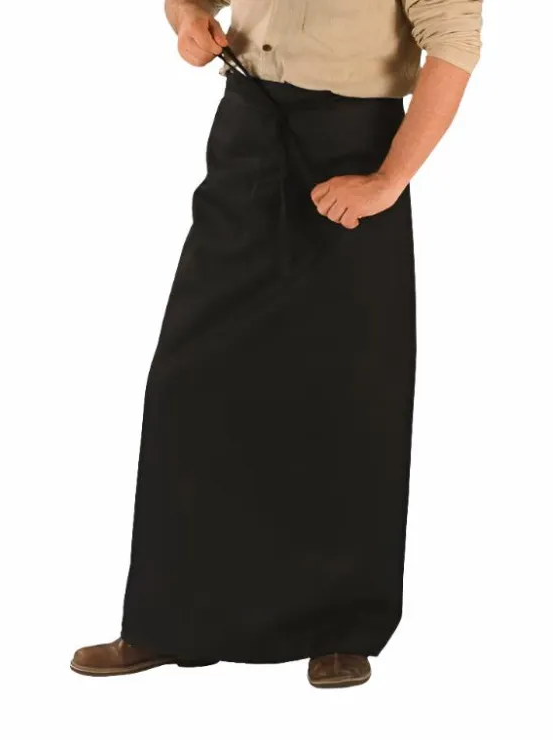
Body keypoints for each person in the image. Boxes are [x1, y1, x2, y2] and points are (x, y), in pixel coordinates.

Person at [71, 0, 482, 689]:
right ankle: (168, 621)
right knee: (193, 383)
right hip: (249, 125)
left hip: (356, 143)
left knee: (346, 387)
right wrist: (187, 23)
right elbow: (188, 0)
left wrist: (389, 180)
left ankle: (341, 628)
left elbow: (455, 45)